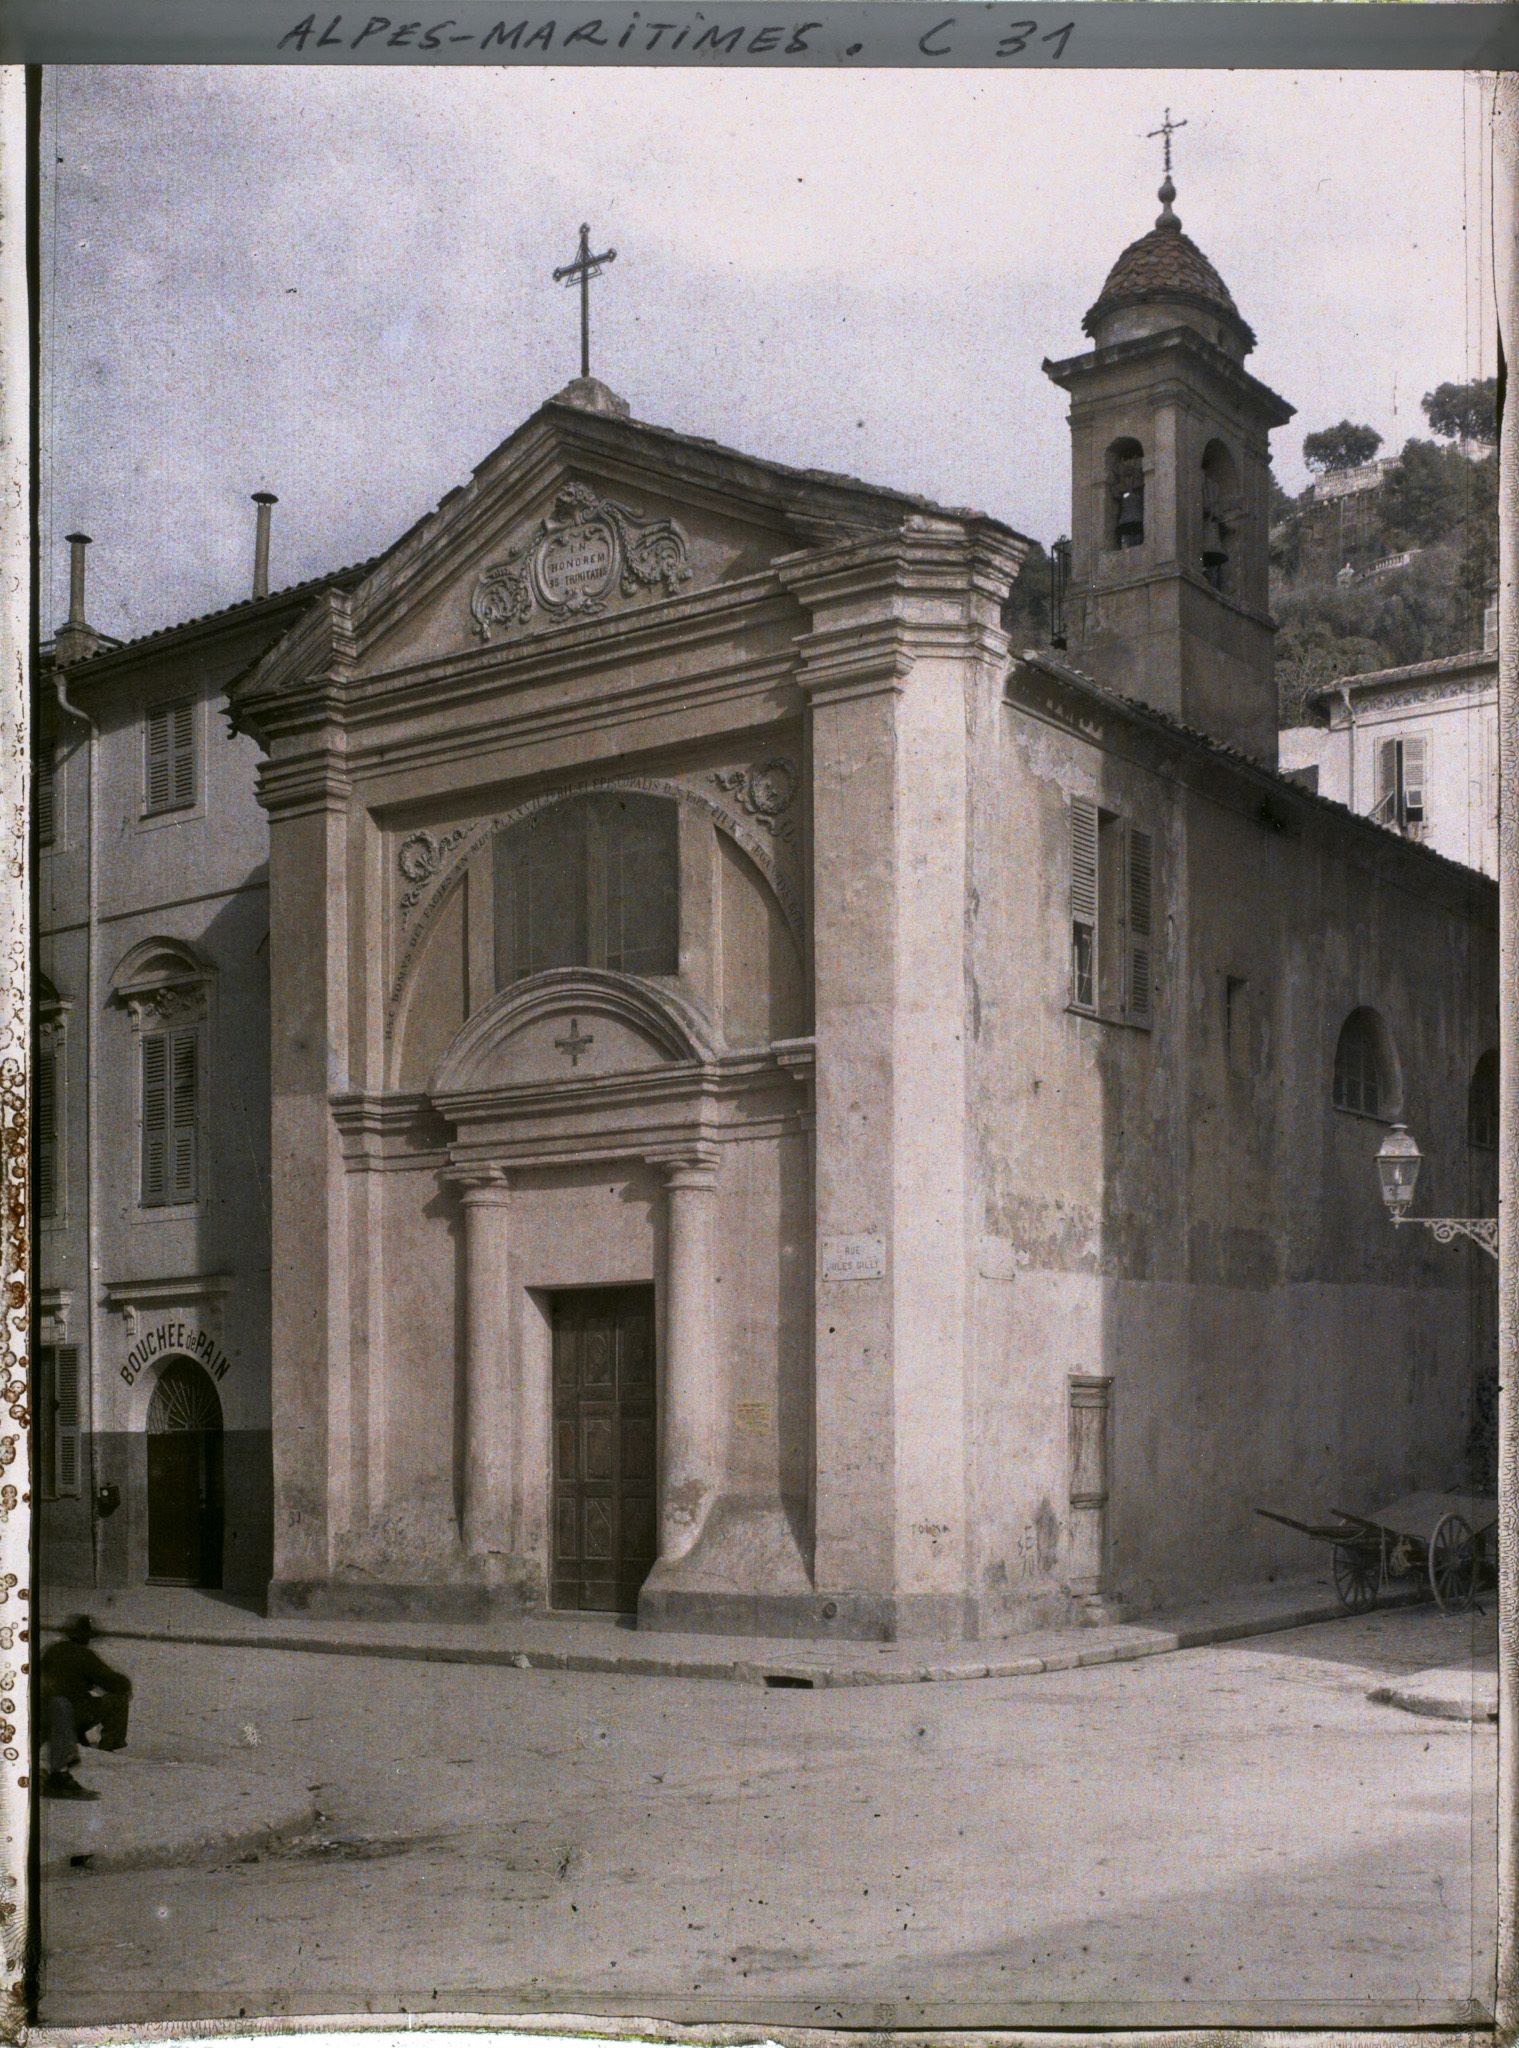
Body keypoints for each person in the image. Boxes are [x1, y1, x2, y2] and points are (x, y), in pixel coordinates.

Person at [39, 1614, 131, 1801]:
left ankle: (71, 1751)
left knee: (73, 1702)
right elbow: (113, 1683)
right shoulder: (84, 1655)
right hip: (69, 1713)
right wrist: (125, 1683)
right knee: (116, 1700)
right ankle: (109, 1746)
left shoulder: (53, 1650)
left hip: (45, 1711)